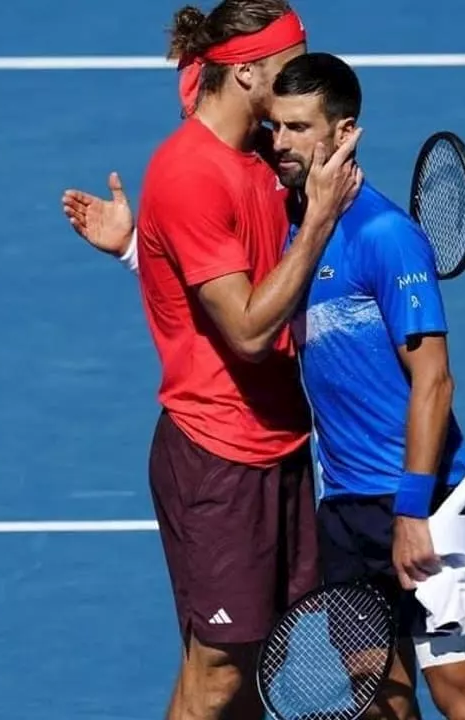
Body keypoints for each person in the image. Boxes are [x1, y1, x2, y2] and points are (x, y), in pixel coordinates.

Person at [64, 4, 363, 720]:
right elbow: (251, 332)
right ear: (248, 72)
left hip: (282, 444)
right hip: (218, 458)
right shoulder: (190, 174)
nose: (301, 76)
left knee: (270, 660)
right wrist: (318, 218)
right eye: (289, 62)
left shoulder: (262, 146)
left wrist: (144, 251)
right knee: (220, 671)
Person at [267, 52, 465, 720]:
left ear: (344, 132)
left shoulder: (386, 236)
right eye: (275, 127)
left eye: (297, 127)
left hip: (427, 502)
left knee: (462, 698)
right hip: (346, 510)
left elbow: (435, 381)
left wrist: (412, 512)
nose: (280, 143)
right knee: (378, 699)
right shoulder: (298, 232)